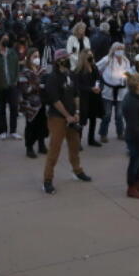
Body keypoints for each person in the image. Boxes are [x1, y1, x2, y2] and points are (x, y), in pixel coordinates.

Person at [41, 48, 93, 194]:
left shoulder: (70, 75)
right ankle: (47, 180)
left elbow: (76, 94)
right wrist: (67, 116)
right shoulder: (53, 78)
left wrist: (76, 112)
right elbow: (55, 100)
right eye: (65, 58)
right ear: (59, 61)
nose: (68, 60)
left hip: (71, 116)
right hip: (57, 117)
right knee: (54, 149)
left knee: (75, 145)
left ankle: (77, 171)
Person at [0, 33, 21, 139]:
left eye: (7, 39)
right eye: (4, 39)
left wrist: (15, 80)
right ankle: (3, 131)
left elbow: (17, 67)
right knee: (1, 109)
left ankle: (13, 131)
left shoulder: (12, 53)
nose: (6, 41)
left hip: (12, 85)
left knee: (14, 108)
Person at [121, 73, 139, 198]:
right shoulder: (131, 101)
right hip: (135, 137)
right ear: (137, 84)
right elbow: (133, 124)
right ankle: (131, 188)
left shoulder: (137, 96)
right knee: (135, 162)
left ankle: (137, 183)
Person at [18, 50, 49, 159]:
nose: (37, 58)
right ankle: (29, 147)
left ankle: (41, 145)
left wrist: (41, 86)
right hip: (30, 104)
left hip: (42, 102)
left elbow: (46, 83)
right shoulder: (24, 72)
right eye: (34, 56)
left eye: (38, 56)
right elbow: (25, 89)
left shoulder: (42, 70)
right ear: (29, 58)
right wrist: (38, 86)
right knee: (31, 125)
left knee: (42, 124)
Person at [99, 42, 131, 141]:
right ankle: (103, 134)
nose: (119, 51)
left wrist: (127, 78)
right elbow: (97, 67)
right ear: (113, 49)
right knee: (107, 114)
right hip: (108, 91)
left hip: (121, 91)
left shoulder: (126, 61)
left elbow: (129, 72)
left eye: (121, 48)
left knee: (119, 115)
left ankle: (120, 133)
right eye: (117, 49)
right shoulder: (107, 59)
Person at [73, 49, 105, 147]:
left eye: (92, 55)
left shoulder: (94, 67)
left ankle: (91, 139)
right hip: (84, 98)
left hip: (94, 97)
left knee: (93, 118)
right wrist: (91, 89)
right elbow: (78, 86)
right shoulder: (78, 71)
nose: (91, 57)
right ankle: (77, 141)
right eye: (88, 56)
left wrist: (99, 87)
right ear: (83, 57)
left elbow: (100, 79)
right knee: (82, 121)